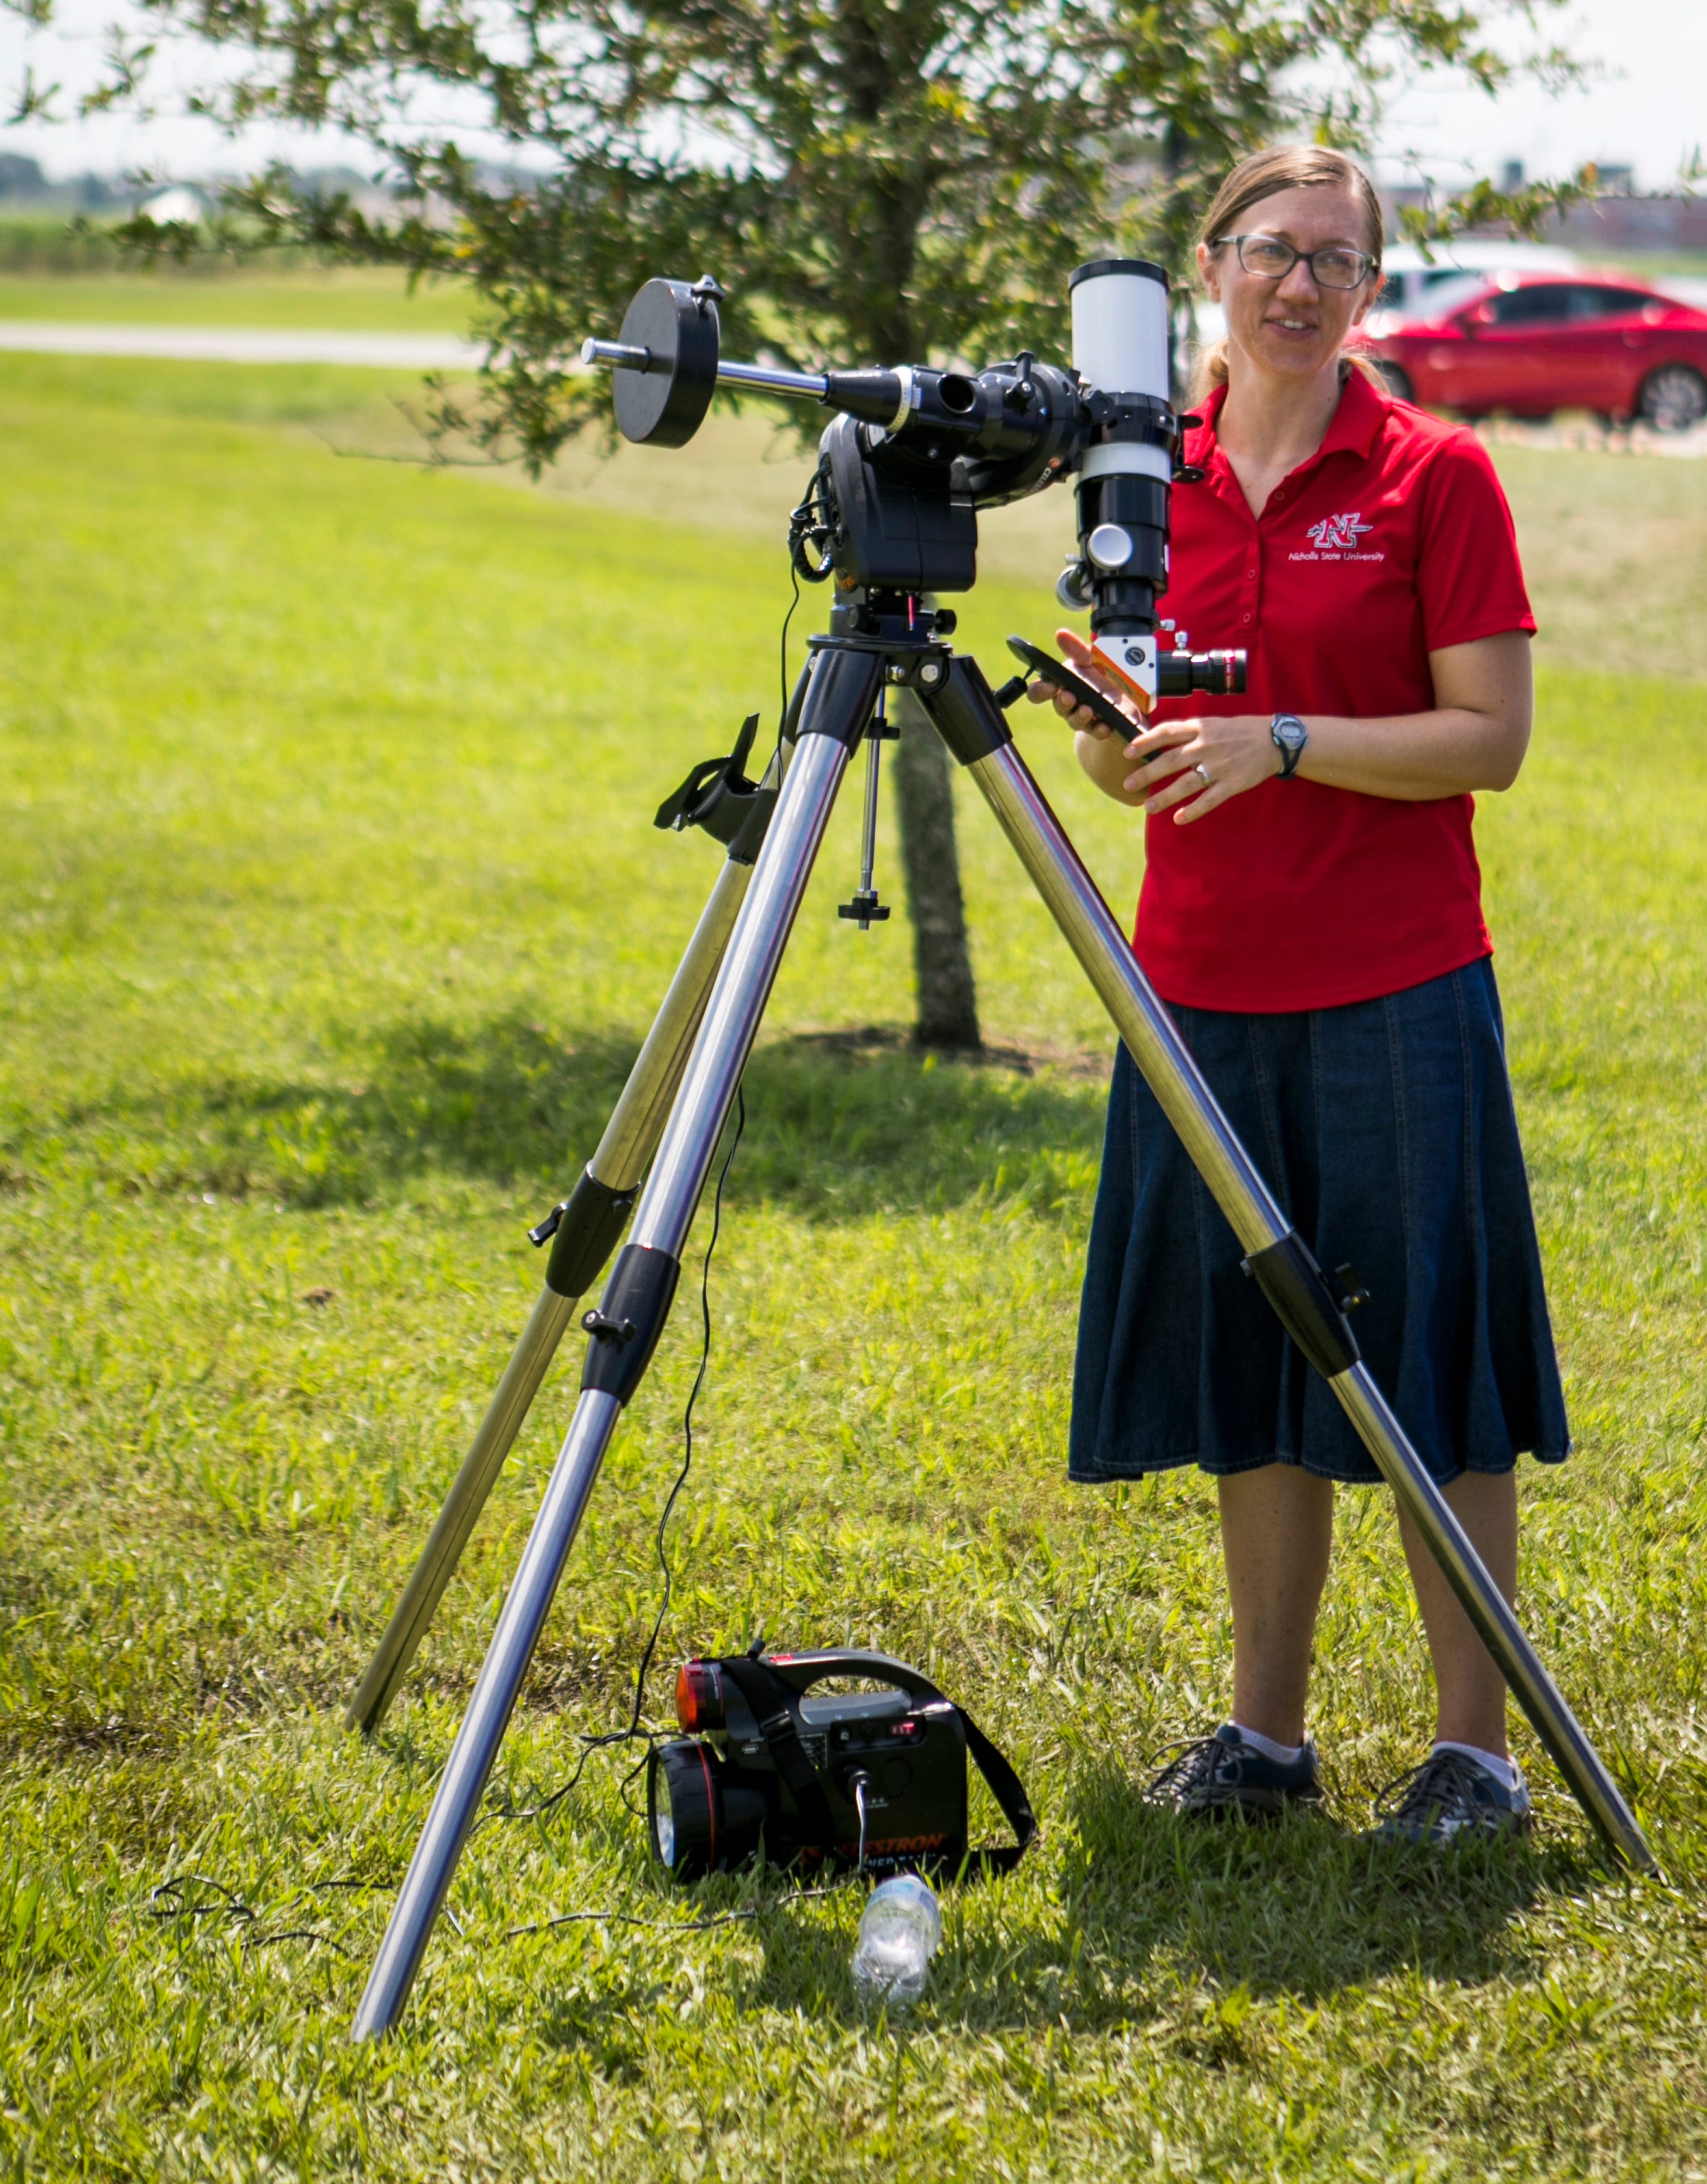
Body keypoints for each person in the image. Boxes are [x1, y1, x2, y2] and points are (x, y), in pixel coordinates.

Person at [1034, 144, 1567, 1845]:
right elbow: (1144, 725)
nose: (1299, 286)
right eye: (1272, 251)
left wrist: (1279, 743)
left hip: (1397, 987)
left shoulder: (1434, 473)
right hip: (1193, 986)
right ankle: (1265, 1737)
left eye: (1337, 262)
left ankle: (1470, 1753)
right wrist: (1131, 753)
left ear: (1369, 289)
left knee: (1426, 1366)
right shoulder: (1138, 470)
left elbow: (1487, 737)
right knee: (1258, 1365)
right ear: (1210, 266)